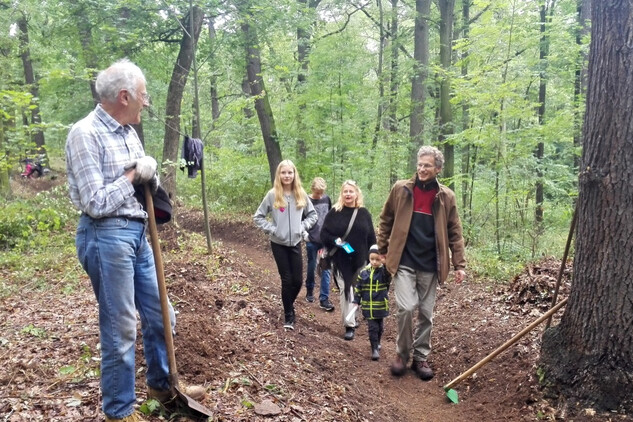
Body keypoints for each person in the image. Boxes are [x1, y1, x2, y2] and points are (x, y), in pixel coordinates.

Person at [65, 59, 204, 422]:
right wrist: (132, 174)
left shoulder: (127, 130)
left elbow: (142, 186)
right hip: (106, 235)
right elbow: (95, 203)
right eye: (143, 95)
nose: (147, 102)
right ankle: (120, 410)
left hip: (139, 233)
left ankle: (162, 384)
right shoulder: (85, 134)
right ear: (124, 96)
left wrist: (149, 173)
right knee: (121, 326)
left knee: (162, 315)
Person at [377, 145, 466, 381]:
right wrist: (382, 250)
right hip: (404, 261)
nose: (422, 169)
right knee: (406, 308)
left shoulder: (446, 197)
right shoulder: (401, 189)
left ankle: (420, 357)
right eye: (420, 164)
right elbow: (385, 219)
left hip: (431, 265)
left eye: (427, 165)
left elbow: (455, 231)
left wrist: (460, 265)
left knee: (426, 314)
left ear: (437, 169)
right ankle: (401, 354)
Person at [254, 160, 317, 330]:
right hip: (278, 243)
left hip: (295, 242)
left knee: (297, 281)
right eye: (284, 173)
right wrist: (272, 229)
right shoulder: (273, 194)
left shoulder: (301, 194)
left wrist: (302, 227)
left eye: (290, 172)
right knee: (287, 279)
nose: (287, 176)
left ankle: (289, 304)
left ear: (294, 174)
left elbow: (312, 215)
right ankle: (288, 315)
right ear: (279, 175)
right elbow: (258, 217)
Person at [320, 180, 376, 341]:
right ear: (341, 193)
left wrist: (375, 256)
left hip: (360, 260)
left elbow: (371, 237)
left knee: (357, 291)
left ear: (357, 193)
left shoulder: (364, 213)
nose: (348, 194)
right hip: (340, 260)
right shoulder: (334, 212)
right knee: (346, 290)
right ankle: (349, 325)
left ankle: (352, 316)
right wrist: (336, 241)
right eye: (345, 192)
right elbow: (324, 234)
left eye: (351, 191)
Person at [354, 244, 391, 360]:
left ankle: (378, 342)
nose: (374, 262)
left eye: (377, 259)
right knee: (372, 327)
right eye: (372, 259)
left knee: (380, 326)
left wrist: (385, 264)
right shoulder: (363, 273)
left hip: (380, 305)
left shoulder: (383, 273)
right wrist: (356, 300)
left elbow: (388, 276)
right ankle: (374, 348)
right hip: (368, 306)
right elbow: (359, 287)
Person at [304, 177, 335, 311]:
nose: (319, 195)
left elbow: (330, 217)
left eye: (321, 192)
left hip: (325, 240)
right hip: (312, 239)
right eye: (317, 192)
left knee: (326, 268)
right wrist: (304, 235)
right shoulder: (306, 201)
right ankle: (310, 289)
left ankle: (324, 298)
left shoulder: (327, 199)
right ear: (312, 190)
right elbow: (301, 220)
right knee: (311, 265)